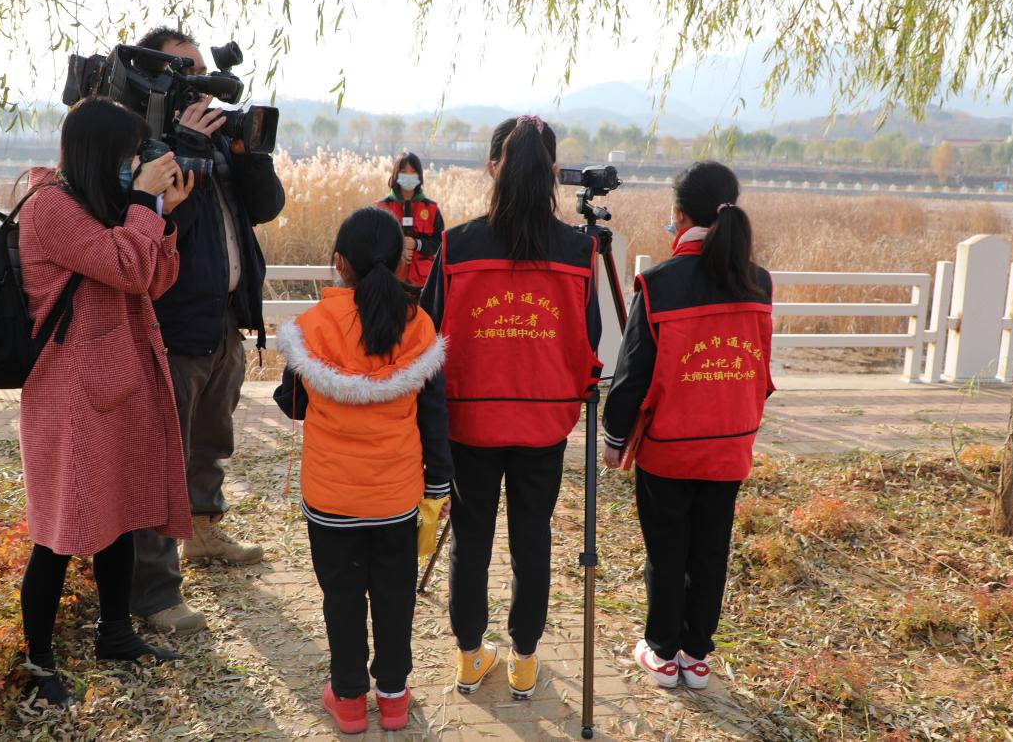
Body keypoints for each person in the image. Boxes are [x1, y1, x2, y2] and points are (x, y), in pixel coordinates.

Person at [17, 96, 196, 705]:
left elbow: (151, 278)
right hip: (68, 395)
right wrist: (144, 206)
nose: (135, 165)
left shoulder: (101, 208)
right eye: (128, 156)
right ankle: (39, 665)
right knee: (60, 529)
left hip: (114, 384)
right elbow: (122, 263)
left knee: (119, 511)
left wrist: (162, 215)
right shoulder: (50, 209)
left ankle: (114, 634)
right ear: (100, 154)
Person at [419, 116, 602, 700]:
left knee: (470, 540)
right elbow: (590, 343)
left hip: (469, 422)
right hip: (543, 424)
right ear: (552, 172)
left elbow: (428, 335)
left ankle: (470, 657)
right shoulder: (579, 250)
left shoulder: (458, 245)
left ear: (493, 166)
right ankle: (524, 660)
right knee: (532, 539)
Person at [129, 26, 286, 635]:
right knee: (164, 456)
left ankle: (205, 534)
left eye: (201, 69)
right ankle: (157, 589)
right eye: (183, 71)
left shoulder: (215, 142)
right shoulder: (144, 145)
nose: (199, 82)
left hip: (224, 317)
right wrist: (184, 146)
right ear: (154, 77)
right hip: (170, 323)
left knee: (210, 439)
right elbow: (166, 224)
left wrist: (250, 153)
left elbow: (265, 206)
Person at [273, 207, 453, 734]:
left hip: (330, 501)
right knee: (395, 597)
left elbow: (293, 403)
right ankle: (393, 698)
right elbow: (434, 414)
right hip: (396, 497)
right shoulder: (419, 325)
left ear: (338, 264)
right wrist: (438, 482)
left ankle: (349, 699)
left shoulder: (312, 327)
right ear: (400, 264)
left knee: (342, 597)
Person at [601, 161, 773, 691]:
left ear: (678, 214)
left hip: (670, 446)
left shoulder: (658, 285)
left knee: (667, 551)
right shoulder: (758, 282)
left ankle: (661, 652)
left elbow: (632, 375)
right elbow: (760, 364)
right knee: (711, 549)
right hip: (729, 443)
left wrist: (613, 436)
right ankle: (697, 656)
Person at [375, 152, 444, 287]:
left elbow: (440, 244)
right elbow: (374, 245)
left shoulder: (431, 209)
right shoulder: (381, 208)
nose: (408, 176)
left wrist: (417, 244)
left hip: (423, 284)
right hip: (390, 281)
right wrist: (398, 249)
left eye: (413, 172)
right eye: (403, 171)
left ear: (419, 176)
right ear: (395, 174)